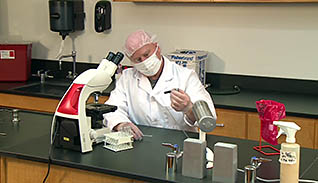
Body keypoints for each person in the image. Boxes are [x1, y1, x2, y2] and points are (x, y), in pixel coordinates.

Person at [103, 30, 216, 140]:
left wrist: (189, 108)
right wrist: (121, 124)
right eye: (138, 59)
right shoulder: (127, 78)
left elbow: (208, 119)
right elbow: (112, 109)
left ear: (157, 49)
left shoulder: (185, 76)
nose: (144, 61)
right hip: (142, 143)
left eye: (147, 54)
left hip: (179, 145)